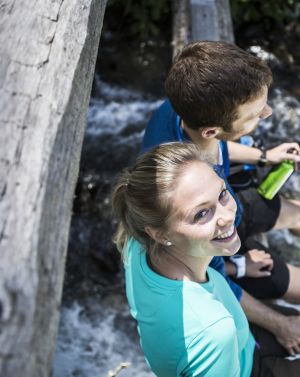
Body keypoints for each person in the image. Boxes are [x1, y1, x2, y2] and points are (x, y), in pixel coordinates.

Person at [141, 41, 300, 356]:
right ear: (213, 130)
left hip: (225, 206)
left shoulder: (184, 110)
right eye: (255, 115)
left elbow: (218, 145)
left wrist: (263, 156)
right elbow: (207, 277)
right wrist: (278, 323)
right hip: (214, 238)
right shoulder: (176, 190)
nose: (267, 114)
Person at [112, 142, 300, 377]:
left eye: (222, 194)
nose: (227, 216)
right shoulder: (212, 330)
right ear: (161, 234)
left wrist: (237, 267)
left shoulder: (138, 242)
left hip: (244, 340)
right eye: (201, 213)